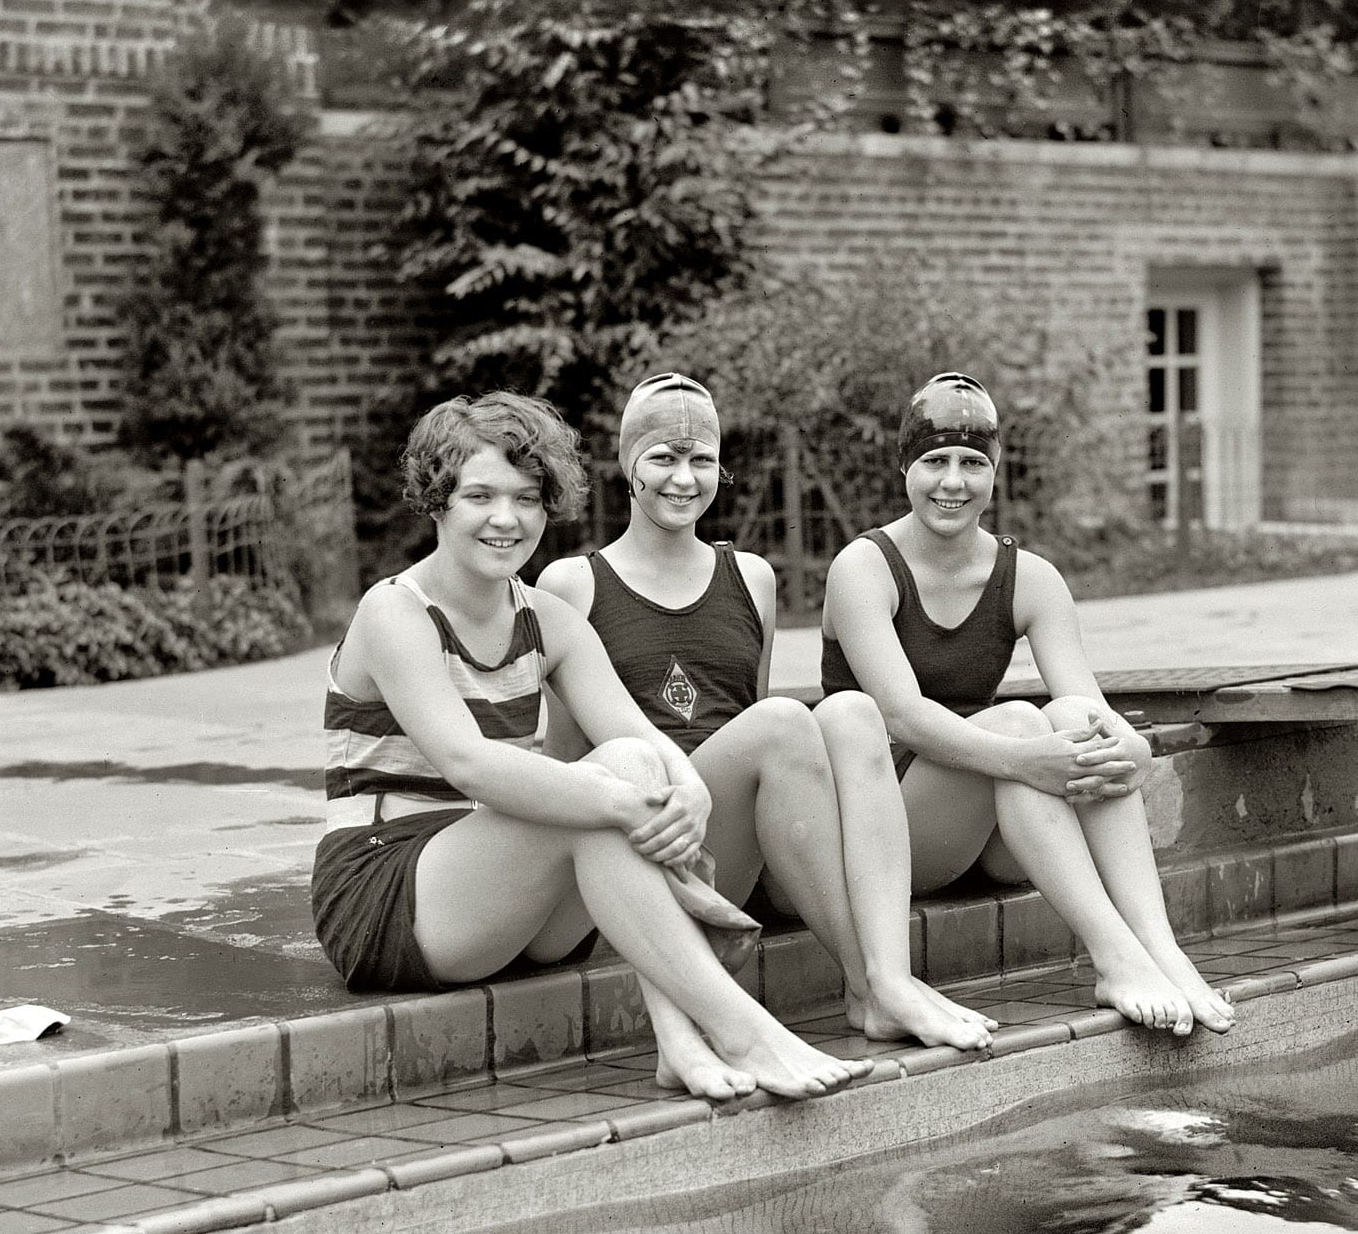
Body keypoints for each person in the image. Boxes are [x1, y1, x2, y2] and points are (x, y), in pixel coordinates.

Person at [311, 390, 871, 1102]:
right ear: (437, 500)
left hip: (507, 898)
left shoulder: (548, 620)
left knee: (630, 769)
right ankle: (737, 1029)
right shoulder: (395, 610)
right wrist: (625, 798)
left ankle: (680, 1042)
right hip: (390, 893)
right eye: (479, 495)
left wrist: (687, 788)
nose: (505, 518)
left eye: (526, 496)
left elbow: (641, 740)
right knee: (609, 792)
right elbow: (467, 761)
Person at [538, 372, 997, 1053]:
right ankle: (875, 982)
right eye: (663, 457)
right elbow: (571, 752)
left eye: (701, 460)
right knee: (785, 721)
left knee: (849, 711)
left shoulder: (752, 578)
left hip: (740, 847)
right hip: (650, 840)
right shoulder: (573, 583)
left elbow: (741, 712)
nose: (683, 478)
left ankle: (882, 979)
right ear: (626, 466)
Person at [821, 372, 1234, 1037]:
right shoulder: (863, 569)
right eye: (934, 461)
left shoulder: (1031, 578)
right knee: (1021, 721)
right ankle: (1114, 953)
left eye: (972, 463)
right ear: (904, 467)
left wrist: (1130, 745)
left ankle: (1160, 947)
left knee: (1074, 721)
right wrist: (1025, 755)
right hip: (889, 835)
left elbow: (1089, 707)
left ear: (996, 473)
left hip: (994, 828)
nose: (952, 482)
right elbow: (902, 717)